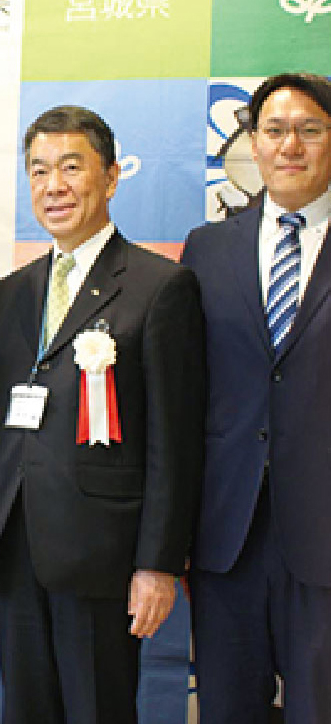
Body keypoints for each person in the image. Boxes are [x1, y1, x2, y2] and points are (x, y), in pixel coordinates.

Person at [0, 105, 204, 724]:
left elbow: (174, 442)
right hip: (16, 552)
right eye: (39, 170)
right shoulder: (11, 292)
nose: (54, 186)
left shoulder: (160, 286)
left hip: (105, 556)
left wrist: (157, 563)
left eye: (72, 167)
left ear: (112, 177)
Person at [180, 72, 331, 722]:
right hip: (227, 537)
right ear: (254, 143)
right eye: (275, 130)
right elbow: (185, 396)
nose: (290, 146)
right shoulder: (207, 249)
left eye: (310, 130)